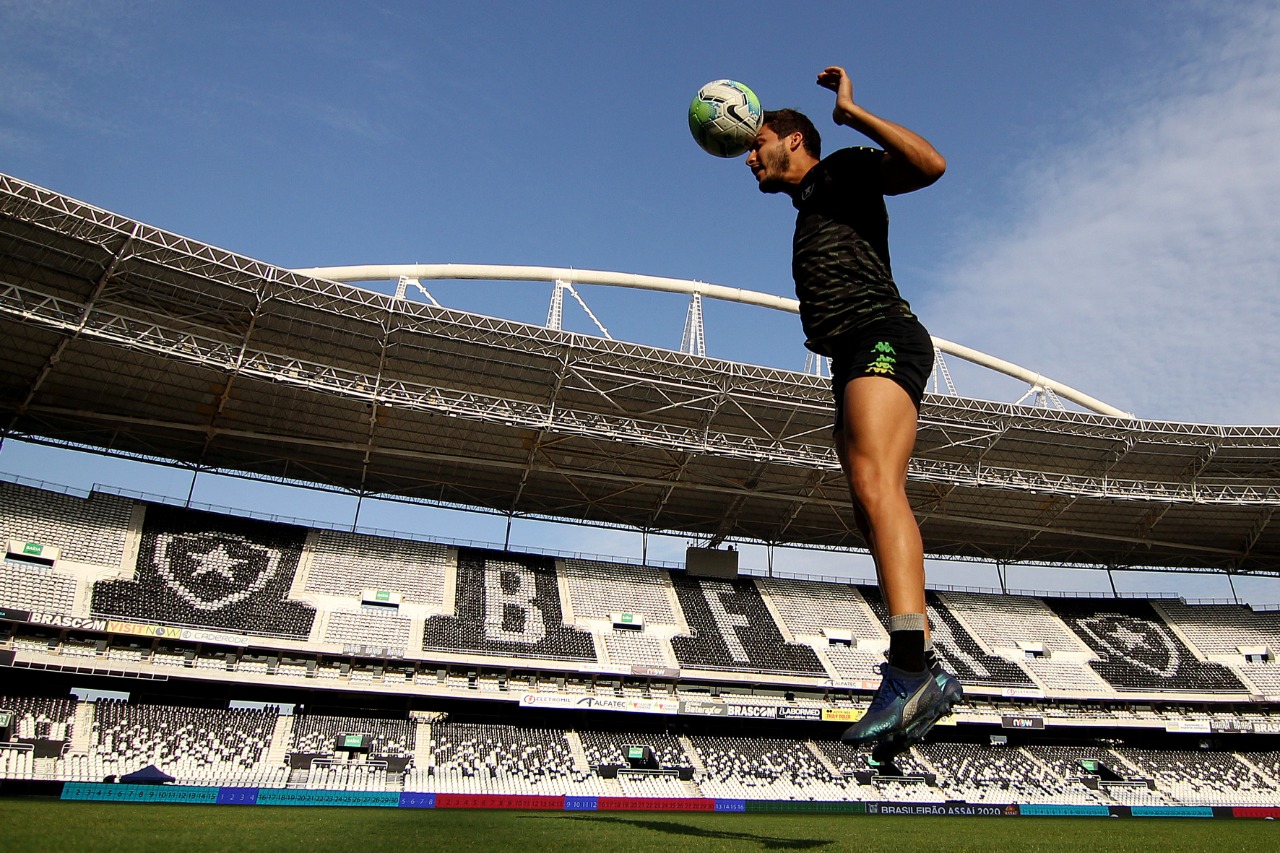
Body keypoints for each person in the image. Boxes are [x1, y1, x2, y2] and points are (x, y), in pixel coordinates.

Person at [744, 66, 962, 749]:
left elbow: (930, 164)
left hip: (882, 337)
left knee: (876, 483)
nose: (749, 155)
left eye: (758, 141)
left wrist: (851, 114)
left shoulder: (838, 169)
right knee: (869, 507)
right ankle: (920, 670)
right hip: (851, 357)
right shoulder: (813, 202)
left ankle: (908, 670)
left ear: (794, 138)